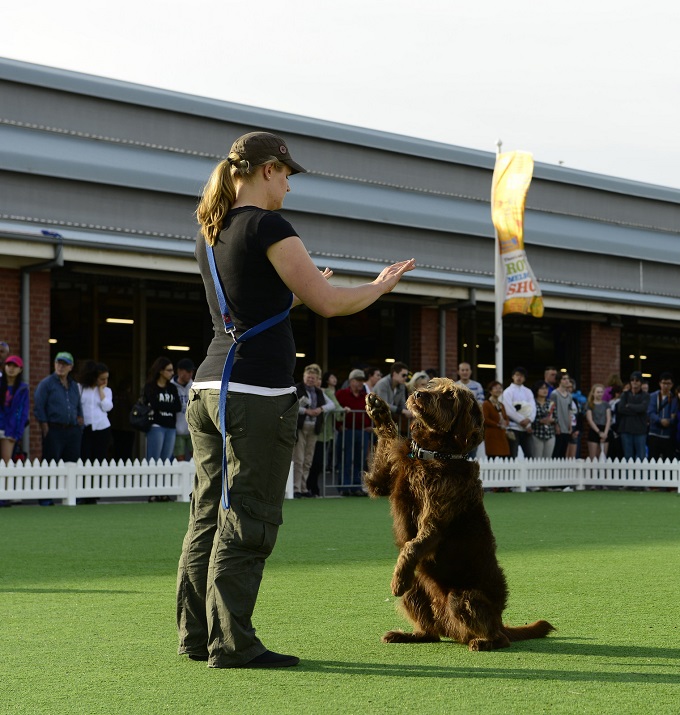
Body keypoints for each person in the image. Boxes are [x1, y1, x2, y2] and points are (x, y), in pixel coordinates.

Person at [175, 131, 414, 669]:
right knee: (249, 517)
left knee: (207, 516)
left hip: (210, 388)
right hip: (255, 393)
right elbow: (329, 303)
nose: (288, 184)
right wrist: (379, 286)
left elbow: (252, 299)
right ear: (265, 170)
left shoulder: (210, 229)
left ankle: (196, 636)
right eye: (286, 174)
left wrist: (299, 289)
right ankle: (233, 644)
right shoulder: (268, 225)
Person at [34, 352, 84, 505]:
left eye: (64, 364)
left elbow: (78, 406)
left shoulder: (74, 385)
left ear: (71, 367)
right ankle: (46, 498)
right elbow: (39, 406)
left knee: (72, 463)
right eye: (58, 363)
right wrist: (44, 426)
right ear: (54, 364)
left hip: (72, 430)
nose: (61, 366)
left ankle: (71, 497)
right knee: (50, 463)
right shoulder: (46, 383)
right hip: (54, 429)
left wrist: (79, 424)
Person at [293, 363, 334, 498]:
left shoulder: (319, 391)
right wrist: (306, 411)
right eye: (308, 377)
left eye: (313, 378)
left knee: (308, 460)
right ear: (304, 376)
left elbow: (331, 405)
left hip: (314, 428)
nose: (310, 380)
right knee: (298, 459)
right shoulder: (296, 389)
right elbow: (291, 406)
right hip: (301, 427)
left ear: (317, 379)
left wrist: (320, 409)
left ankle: (304, 488)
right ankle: (295, 488)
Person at [336, 369, 373, 495]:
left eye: (362, 381)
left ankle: (357, 486)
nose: (360, 383)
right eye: (357, 380)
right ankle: (345, 486)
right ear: (351, 381)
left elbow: (371, 413)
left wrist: (371, 426)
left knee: (359, 459)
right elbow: (336, 410)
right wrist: (338, 426)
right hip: (347, 431)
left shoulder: (365, 397)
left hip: (362, 431)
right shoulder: (341, 394)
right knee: (345, 459)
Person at [144, 356, 181, 464]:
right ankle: (150, 481)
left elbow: (177, 407)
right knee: (153, 460)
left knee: (166, 460)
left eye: (172, 370)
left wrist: (161, 405)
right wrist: (167, 406)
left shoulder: (172, 388)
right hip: (156, 425)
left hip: (170, 426)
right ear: (160, 371)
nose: (172, 373)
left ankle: (163, 481)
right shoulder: (150, 387)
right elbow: (154, 405)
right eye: (169, 370)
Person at [78, 361, 113, 462]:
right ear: (94, 377)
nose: (105, 381)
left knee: (100, 457)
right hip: (86, 428)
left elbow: (108, 407)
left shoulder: (107, 391)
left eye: (107, 378)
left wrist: (101, 390)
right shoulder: (81, 388)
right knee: (85, 456)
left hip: (102, 427)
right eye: (102, 379)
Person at [0, 355, 30, 464]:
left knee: (6, 462)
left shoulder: (23, 389)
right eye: (9, 365)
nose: (11, 369)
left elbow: (23, 412)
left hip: (10, 429)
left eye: (15, 366)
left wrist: (17, 433)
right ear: (4, 367)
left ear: (20, 370)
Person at [502, 367, 535, 458]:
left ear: (524, 378)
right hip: (513, 428)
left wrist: (529, 420)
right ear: (513, 376)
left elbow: (533, 407)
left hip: (526, 429)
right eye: (517, 375)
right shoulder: (508, 392)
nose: (519, 378)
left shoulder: (528, 391)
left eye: (521, 376)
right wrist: (522, 421)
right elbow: (508, 410)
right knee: (513, 454)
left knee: (530, 454)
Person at [617, 370, 650, 461]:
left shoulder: (645, 396)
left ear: (641, 382)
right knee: (628, 457)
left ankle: (641, 475)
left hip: (640, 430)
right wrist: (636, 409)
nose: (634, 382)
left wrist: (629, 406)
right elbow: (621, 409)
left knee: (641, 457)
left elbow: (643, 408)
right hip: (626, 429)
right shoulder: (625, 395)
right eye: (632, 380)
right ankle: (628, 476)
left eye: (637, 380)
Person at [647, 372, 677, 461]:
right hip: (654, 434)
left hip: (668, 435)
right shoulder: (653, 396)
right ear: (660, 383)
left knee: (668, 461)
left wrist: (669, 421)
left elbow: (675, 414)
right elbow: (650, 412)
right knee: (652, 460)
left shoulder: (674, 398)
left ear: (672, 385)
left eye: (668, 383)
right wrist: (660, 420)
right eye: (664, 383)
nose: (666, 386)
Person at [172, 358, 195, 461]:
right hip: (178, 429)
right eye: (188, 371)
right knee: (179, 459)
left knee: (195, 458)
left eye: (192, 372)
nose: (190, 374)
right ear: (180, 371)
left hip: (192, 429)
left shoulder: (194, 385)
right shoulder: (171, 386)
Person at [550, 373, 576, 459]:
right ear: (559, 381)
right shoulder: (554, 394)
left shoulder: (569, 395)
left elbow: (569, 410)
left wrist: (570, 425)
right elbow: (552, 410)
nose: (567, 381)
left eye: (567, 379)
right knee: (556, 450)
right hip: (558, 426)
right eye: (564, 379)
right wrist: (556, 425)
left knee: (563, 452)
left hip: (566, 426)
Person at [482, 381, 510, 459]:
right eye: (495, 388)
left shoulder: (501, 405)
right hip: (491, 434)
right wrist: (497, 424)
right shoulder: (486, 404)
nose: (498, 390)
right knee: (492, 457)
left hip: (502, 434)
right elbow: (485, 419)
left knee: (505, 456)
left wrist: (506, 423)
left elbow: (506, 418)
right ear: (490, 391)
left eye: (500, 388)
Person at [585, 383, 611, 460]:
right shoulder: (589, 405)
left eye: (601, 392)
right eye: (598, 392)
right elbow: (590, 419)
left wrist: (605, 433)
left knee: (603, 456)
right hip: (594, 430)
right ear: (593, 393)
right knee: (593, 457)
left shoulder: (606, 405)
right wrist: (599, 432)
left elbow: (608, 419)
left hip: (605, 429)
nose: (600, 394)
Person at [531, 380, 556, 458]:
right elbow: (529, 418)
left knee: (548, 459)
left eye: (546, 388)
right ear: (536, 390)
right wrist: (540, 421)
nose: (545, 390)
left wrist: (553, 420)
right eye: (542, 388)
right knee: (537, 458)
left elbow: (556, 417)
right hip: (537, 433)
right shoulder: (532, 403)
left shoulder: (551, 403)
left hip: (550, 433)